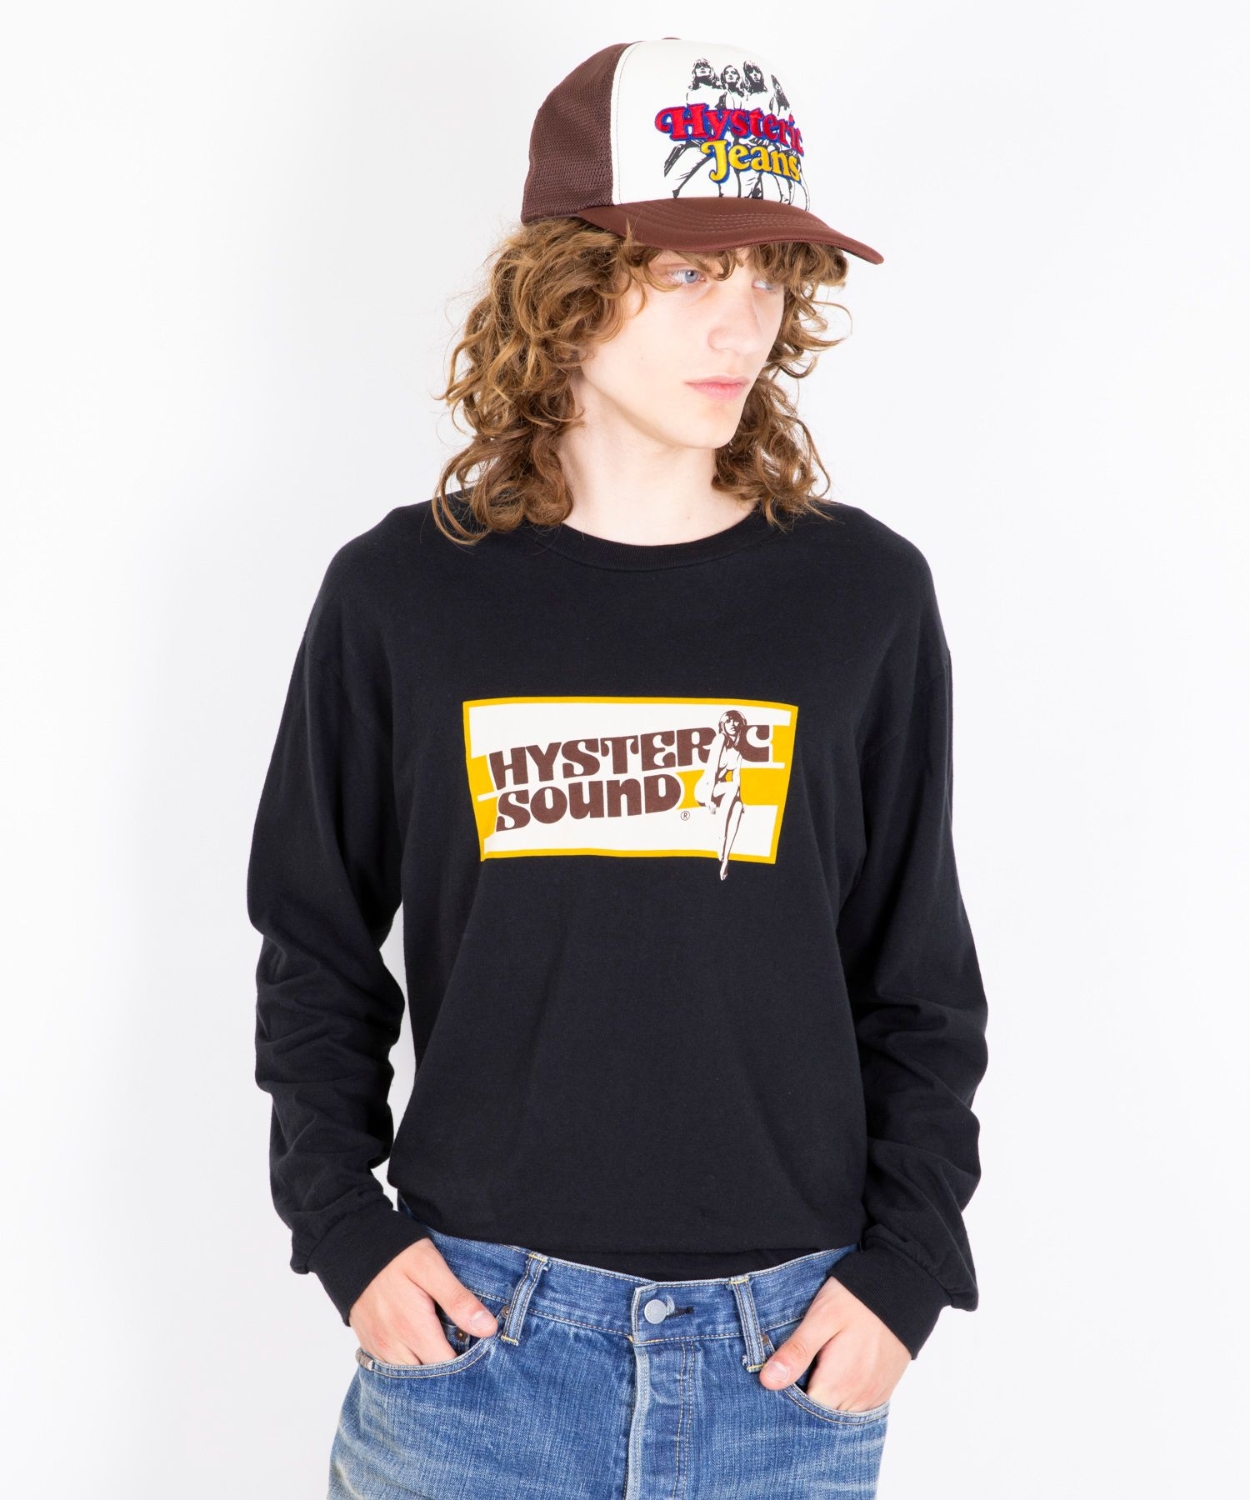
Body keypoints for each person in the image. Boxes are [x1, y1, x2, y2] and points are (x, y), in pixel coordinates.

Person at [247, 36, 989, 1499]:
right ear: (565, 286)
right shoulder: (404, 593)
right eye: (689, 270)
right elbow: (315, 946)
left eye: (770, 275)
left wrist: (907, 1270)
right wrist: (348, 1236)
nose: (741, 321)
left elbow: (918, 975)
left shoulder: (862, 597)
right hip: (475, 1355)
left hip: (786, 1361)